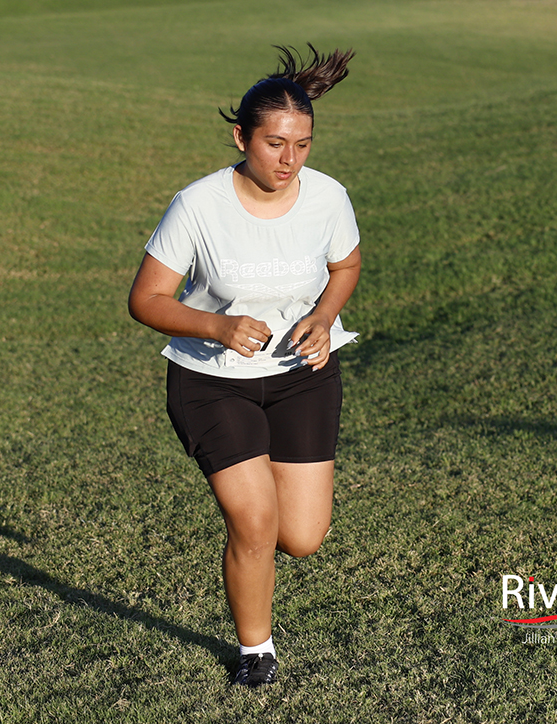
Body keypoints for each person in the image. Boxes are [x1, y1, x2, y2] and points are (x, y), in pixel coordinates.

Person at [127, 44, 360, 687]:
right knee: (254, 521)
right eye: (275, 144)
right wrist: (217, 325)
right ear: (241, 136)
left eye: (303, 145)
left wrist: (323, 316)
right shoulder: (198, 206)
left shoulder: (328, 197)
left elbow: (346, 267)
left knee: (303, 537)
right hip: (211, 382)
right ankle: (255, 652)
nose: (290, 161)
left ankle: (257, 557)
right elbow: (145, 300)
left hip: (303, 377)